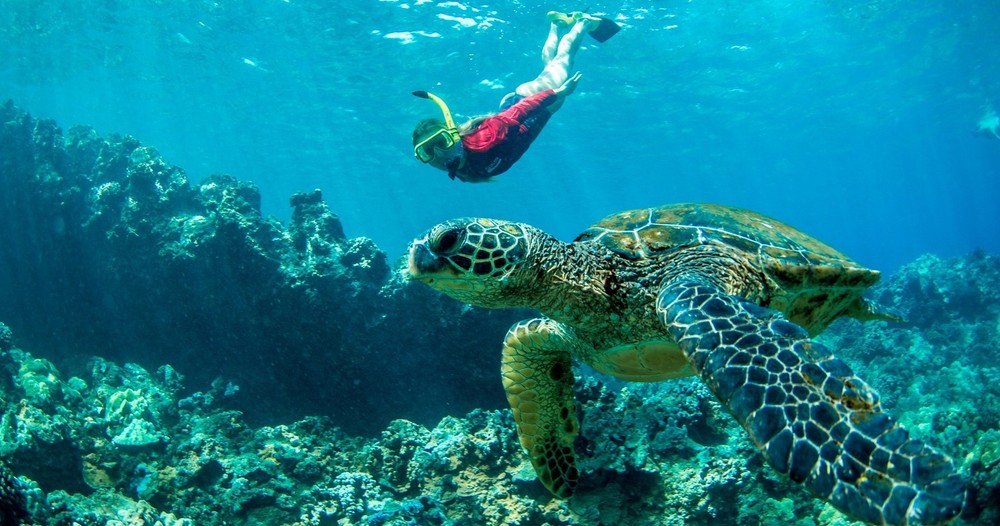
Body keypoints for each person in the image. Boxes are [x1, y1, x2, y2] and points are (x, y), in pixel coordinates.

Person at [412, 11, 620, 182]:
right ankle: (556, 24)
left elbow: (517, 112)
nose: (439, 154)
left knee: (564, 60)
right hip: (530, 111)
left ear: (453, 136)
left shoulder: (484, 140)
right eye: (427, 152)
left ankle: (582, 22)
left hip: (526, 104)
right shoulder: (460, 169)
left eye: (441, 142)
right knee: (552, 66)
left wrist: (556, 93)